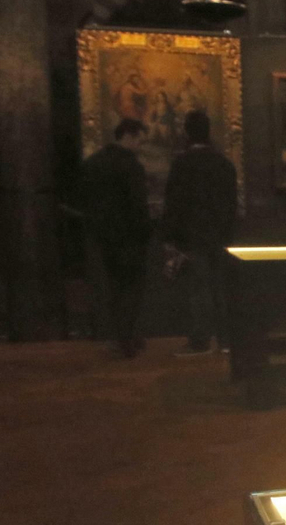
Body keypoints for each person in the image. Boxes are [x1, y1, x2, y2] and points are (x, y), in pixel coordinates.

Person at [162, 111, 238, 356]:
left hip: (192, 236)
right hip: (221, 235)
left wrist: (169, 237)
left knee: (198, 289)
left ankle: (200, 341)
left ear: (187, 132)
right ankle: (226, 340)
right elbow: (231, 204)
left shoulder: (182, 164)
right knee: (222, 288)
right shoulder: (224, 164)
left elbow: (174, 204)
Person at [81, 119, 154, 358]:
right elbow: (137, 206)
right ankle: (127, 338)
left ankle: (118, 336)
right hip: (130, 237)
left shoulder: (94, 163)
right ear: (129, 136)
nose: (140, 146)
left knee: (114, 288)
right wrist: (146, 232)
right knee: (132, 289)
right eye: (139, 140)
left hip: (104, 237)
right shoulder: (131, 166)